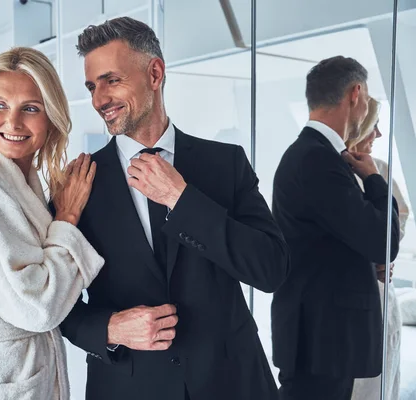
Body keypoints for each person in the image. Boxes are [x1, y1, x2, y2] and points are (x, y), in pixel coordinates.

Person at [58, 17, 289, 400]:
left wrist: (182, 200)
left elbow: (271, 269)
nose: (99, 99)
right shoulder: (78, 184)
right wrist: (110, 330)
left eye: (111, 80)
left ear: (155, 73)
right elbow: (54, 304)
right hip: (128, 387)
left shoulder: (226, 164)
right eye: (91, 86)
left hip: (232, 383)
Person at [0, 47, 104, 400]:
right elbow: (38, 307)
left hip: (21, 364)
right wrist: (68, 217)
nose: (12, 123)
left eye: (30, 108)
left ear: (50, 117)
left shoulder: (23, 180)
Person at [271, 56, 401, 400]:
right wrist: (375, 179)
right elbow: (382, 241)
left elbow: (336, 238)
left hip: (321, 340)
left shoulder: (313, 154)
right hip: (322, 343)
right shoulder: (317, 158)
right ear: (355, 94)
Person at [348, 97, 410, 400]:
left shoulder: (380, 169)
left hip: (383, 298)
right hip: (351, 305)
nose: (379, 136)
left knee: (384, 382)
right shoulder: (328, 174)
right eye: (374, 127)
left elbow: (400, 217)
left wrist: (385, 256)